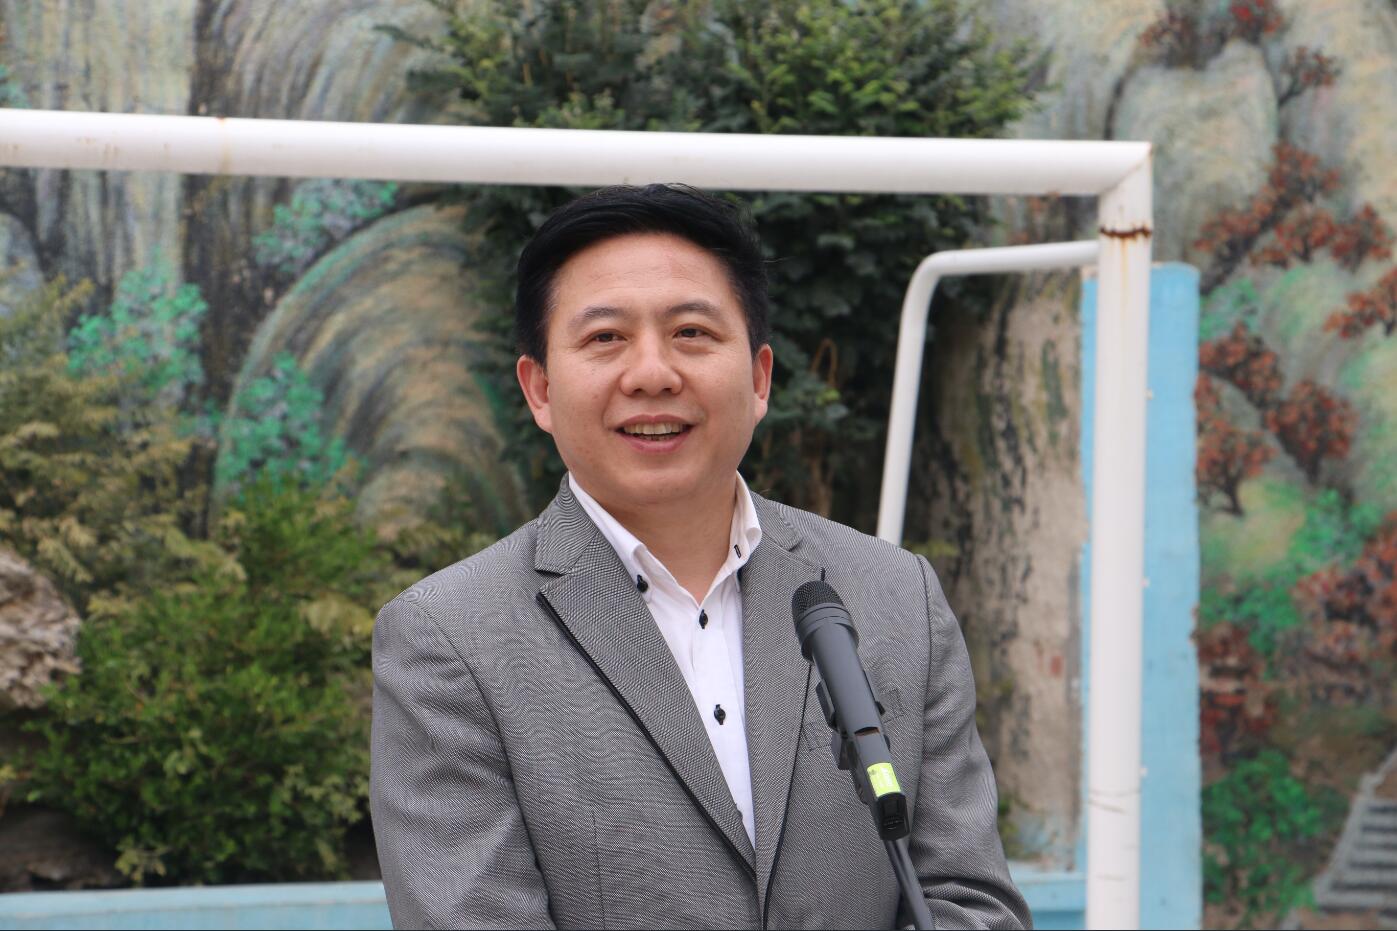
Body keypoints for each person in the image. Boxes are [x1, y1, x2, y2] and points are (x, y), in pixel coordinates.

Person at [370, 184, 1031, 930]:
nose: (652, 373)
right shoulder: (448, 637)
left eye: (691, 332)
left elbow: (971, 900)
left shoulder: (891, 592)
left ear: (758, 378)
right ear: (540, 389)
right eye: (605, 338)